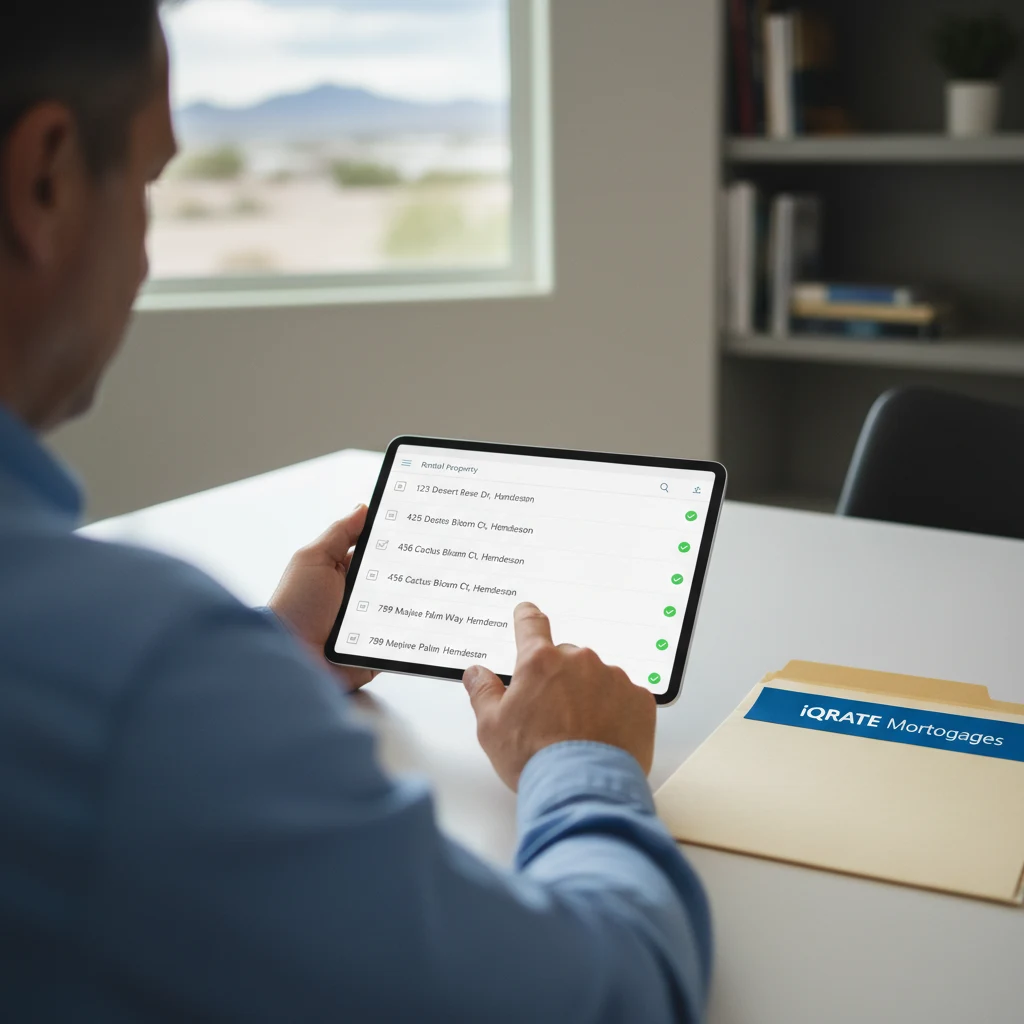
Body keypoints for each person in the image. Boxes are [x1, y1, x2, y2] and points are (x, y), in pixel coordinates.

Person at [0, 2, 711, 1020]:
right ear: (45, 178)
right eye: (151, 183)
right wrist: (581, 761)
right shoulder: (125, 672)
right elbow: (610, 992)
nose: (147, 256)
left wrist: (263, 656)